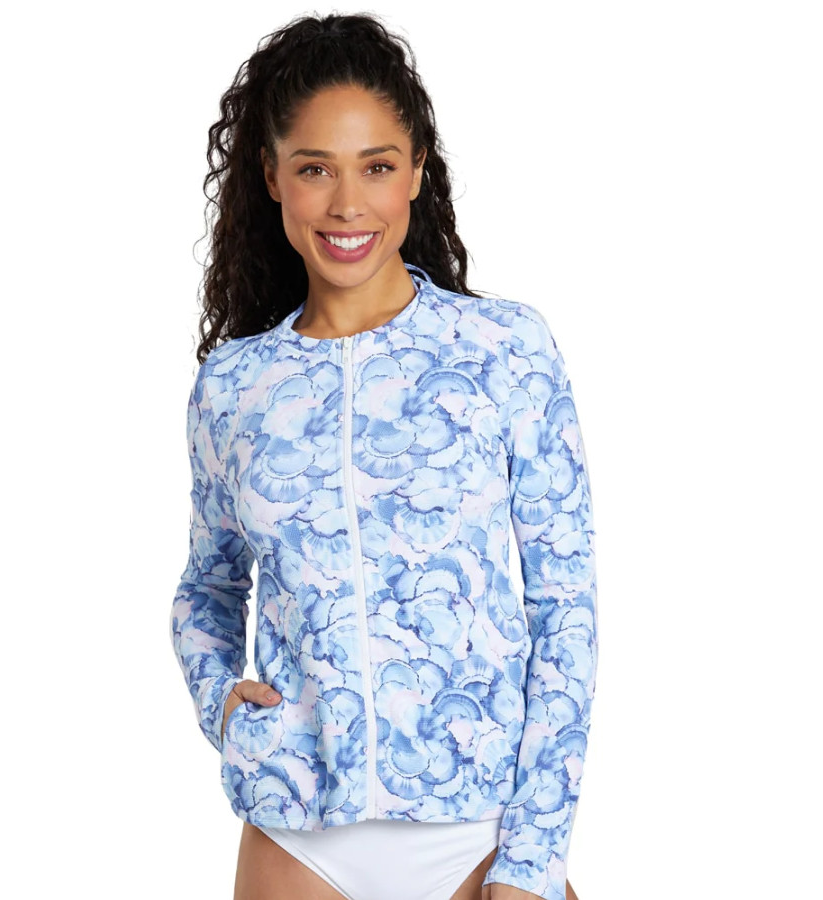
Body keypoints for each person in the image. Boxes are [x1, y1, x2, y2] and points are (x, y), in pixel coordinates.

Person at [169, 13, 598, 900]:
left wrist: (532, 857)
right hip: (298, 837)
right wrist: (219, 700)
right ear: (272, 178)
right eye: (314, 168)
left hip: (481, 828)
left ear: (416, 173)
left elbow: (566, 611)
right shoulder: (235, 385)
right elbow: (207, 586)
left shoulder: (504, 351)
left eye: (376, 166)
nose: (347, 205)